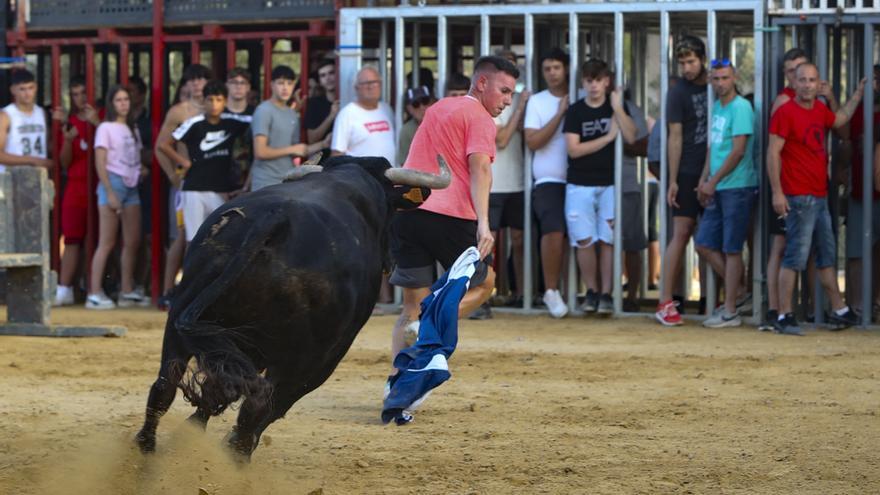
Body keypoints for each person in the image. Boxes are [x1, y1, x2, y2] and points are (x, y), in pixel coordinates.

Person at [388, 55, 518, 384]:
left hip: (409, 210)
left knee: (409, 307)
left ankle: (396, 382)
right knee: (485, 283)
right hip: (449, 216)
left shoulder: (440, 107)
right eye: (504, 91)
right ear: (482, 83)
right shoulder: (481, 118)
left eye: (511, 94)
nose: (507, 101)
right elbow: (480, 169)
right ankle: (429, 326)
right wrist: (484, 223)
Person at [767, 63, 864, 335]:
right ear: (793, 83)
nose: (808, 85)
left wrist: (857, 94)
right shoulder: (785, 112)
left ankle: (839, 309)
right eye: (803, 80)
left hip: (819, 195)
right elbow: (772, 153)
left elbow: (840, 119)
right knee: (795, 256)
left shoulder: (820, 109)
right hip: (798, 196)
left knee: (826, 255)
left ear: (818, 83)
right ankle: (784, 315)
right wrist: (777, 192)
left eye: (812, 80)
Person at [563, 59, 638, 314]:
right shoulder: (575, 111)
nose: (593, 85)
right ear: (583, 83)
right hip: (579, 183)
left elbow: (631, 136)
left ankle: (606, 294)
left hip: (609, 185)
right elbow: (573, 150)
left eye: (598, 80)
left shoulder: (616, 106)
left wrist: (617, 108)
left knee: (608, 240)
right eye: (588, 80)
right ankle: (592, 292)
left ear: (607, 82)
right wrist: (607, 138)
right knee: (584, 240)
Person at [694, 60, 756, 328]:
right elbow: (713, 148)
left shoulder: (741, 107)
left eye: (724, 78)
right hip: (719, 186)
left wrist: (712, 181)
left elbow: (738, 150)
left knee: (732, 248)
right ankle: (739, 293)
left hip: (737, 186)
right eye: (716, 78)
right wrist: (704, 180)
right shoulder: (718, 107)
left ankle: (730, 310)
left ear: (734, 78)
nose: (720, 83)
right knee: (704, 244)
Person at [654, 36, 709, 326]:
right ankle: (665, 300)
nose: (687, 68)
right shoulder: (677, 93)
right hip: (688, 171)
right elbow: (674, 137)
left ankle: (714, 299)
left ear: (702, 59)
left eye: (691, 61)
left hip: (716, 170)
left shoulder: (716, 85)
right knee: (682, 232)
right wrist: (673, 180)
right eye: (683, 63)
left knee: (712, 238)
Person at [158, 80, 252, 243]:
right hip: (194, 189)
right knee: (194, 241)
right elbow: (163, 145)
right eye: (210, 100)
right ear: (204, 101)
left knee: (221, 239)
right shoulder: (194, 123)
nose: (214, 104)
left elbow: (258, 119)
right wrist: (184, 162)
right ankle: (191, 270)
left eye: (219, 100)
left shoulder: (233, 121)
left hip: (219, 191)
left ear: (225, 101)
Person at [154, 64, 212, 309]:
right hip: (186, 183)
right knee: (180, 237)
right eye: (192, 80)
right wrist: (173, 175)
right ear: (186, 84)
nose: (196, 84)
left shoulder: (217, 109)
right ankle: (169, 290)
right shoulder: (179, 111)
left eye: (201, 79)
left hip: (211, 181)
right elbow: (160, 146)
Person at [87, 85, 148, 309]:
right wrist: (110, 193)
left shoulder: (132, 127)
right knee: (107, 242)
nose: (123, 103)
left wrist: (141, 168)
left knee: (132, 241)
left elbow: (134, 156)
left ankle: (126, 290)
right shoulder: (105, 127)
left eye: (126, 99)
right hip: (112, 183)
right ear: (111, 104)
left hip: (132, 184)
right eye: (118, 100)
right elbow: (99, 163)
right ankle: (94, 293)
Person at [480, 49, 529, 316]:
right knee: (491, 242)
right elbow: (502, 139)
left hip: (518, 180)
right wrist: (520, 108)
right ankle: (484, 296)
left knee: (520, 241)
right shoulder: (494, 100)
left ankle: (521, 294)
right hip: (494, 182)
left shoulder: (519, 97)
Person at [524, 48, 570, 318]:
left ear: (566, 69)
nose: (552, 73)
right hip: (548, 180)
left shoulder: (580, 94)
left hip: (579, 178)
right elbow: (533, 141)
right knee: (552, 233)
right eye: (547, 69)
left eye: (556, 67)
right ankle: (551, 290)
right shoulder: (538, 102)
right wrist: (559, 114)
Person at [52, 76, 100, 306]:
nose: (80, 98)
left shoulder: (102, 118)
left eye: (84, 93)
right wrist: (68, 141)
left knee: (100, 239)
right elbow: (63, 162)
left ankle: (94, 288)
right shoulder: (68, 123)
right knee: (72, 239)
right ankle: (64, 288)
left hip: (100, 186)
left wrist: (97, 123)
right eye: (75, 94)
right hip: (76, 187)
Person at [841, 64, 880, 319]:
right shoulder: (858, 113)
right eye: (872, 80)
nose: (875, 85)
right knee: (856, 252)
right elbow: (843, 140)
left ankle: (875, 304)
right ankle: (856, 306)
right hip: (859, 193)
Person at [251, 65, 328, 191]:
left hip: (288, 181)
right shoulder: (263, 110)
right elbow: (260, 152)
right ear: (271, 85)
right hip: (265, 182)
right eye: (281, 83)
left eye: (289, 83)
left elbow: (298, 150)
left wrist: (323, 144)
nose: (285, 88)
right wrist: (292, 149)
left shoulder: (292, 113)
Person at [620, 95, 650, 312]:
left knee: (632, 243)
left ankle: (631, 296)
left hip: (627, 182)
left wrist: (615, 144)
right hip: (593, 182)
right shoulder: (580, 101)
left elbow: (643, 145)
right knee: (599, 243)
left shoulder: (628, 107)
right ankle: (604, 294)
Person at [331, 66, 396, 167]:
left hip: (391, 179)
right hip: (361, 180)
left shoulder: (386, 109)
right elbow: (337, 155)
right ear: (356, 88)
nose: (370, 86)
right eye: (365, 83)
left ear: (380, 85)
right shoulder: (347, 114)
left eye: (374, 82)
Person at [0, 69, 53, 172]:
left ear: (36, 87)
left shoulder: (41, 113)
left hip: (37, 176)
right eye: (22, 89)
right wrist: (33, 161)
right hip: (11, 177)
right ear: (13, 90)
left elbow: (46, 145)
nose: (27, 93)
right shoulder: (5, 115)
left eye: (30, 88)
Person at [224, 68, 254, 193]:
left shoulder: (257, 113)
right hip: (217, 182)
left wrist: (246, 186)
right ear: (227, 85)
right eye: (234, 82)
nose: (238, 86)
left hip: (247, 181)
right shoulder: (216, 112)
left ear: (248, 87)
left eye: (243, 83)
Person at [305, 59, 338, 163]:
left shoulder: (350, 101)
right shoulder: (314, 104)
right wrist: (331, 116)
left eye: (331, 73)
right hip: (323, 164)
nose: (328, 78)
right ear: (319, 81)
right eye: (323, 75)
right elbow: (312, 139)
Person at [396, 86, 434, 166]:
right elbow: (404, 164)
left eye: (425, 101)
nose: (422, 107)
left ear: (432, 103)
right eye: (416, 104)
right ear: (409, 109)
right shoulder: (406, 130)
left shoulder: (444, 124)